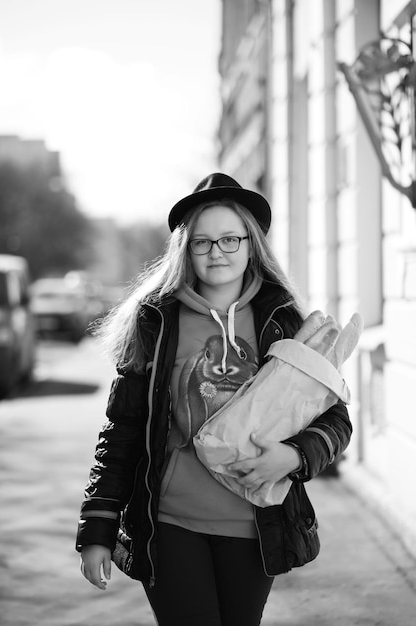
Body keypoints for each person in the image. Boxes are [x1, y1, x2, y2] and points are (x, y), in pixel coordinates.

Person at [76, 173, 352, 626]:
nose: (216, 252)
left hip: (254, 527)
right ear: (186, 250)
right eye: (202, 242)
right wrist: (98, 528)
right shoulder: (156, 323)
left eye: (228, 239)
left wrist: (293, 456)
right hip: (169, 524)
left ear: (251, 244)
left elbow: (336, 419)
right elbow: (123, 428)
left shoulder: (282, 322)